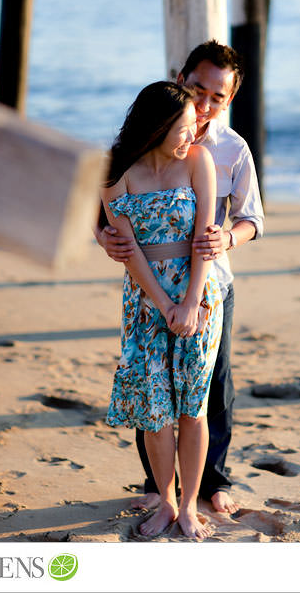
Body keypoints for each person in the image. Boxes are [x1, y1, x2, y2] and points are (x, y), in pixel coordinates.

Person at [95, 40, 264, 515]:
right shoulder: (135, 147)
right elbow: (105, 214)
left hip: (211, 282)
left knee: (213, 389)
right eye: (197, 89)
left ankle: (212, 482)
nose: (205, 104)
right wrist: (104, 239)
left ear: (229, 101)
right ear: (179, 79)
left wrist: (228, 239)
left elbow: (253, 219)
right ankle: (158, 486)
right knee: (152, 390)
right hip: (149, 285)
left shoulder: (230, 150)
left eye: (218, 97)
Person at [102, 80, 223, 540]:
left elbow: (205, 236)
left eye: (195, 126)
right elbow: (127, 249)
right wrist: (163, 302)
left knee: (193, 408)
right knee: (154, 410)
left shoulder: (199, 162)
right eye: (184, 128)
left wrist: (190, 301)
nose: (191, 136)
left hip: (197, 296)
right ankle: (167, 503)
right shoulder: (116, 170)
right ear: (156, 128)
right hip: (144, 298)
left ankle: (190, 506)